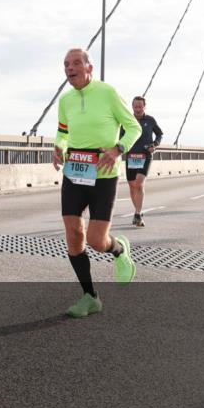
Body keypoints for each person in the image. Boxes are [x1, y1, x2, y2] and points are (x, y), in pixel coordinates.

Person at [53, 48, 139, 318]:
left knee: (95, 240)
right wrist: (59, 147)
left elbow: (134, 127)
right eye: (66, 64)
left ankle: (119, 249)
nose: (70, 68)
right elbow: (63, 132)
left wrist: (117, 149)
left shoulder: (108, 93)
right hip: (74, 173)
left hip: (103, 176)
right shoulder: (65, 100)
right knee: (74, 235)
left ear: (90, 67)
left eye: (76, 63)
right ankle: (90, 296)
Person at [123, 96, 163, 228]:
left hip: (145, 155)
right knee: (132, 186)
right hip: (131, 156)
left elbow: (159, 134)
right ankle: (137, 212)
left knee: (139, 184)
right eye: (135, 107)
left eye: (140, 106)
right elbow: (121, 136)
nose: (138, 109)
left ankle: (138, 213)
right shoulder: (127, 120)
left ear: (144, 107)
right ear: (132, 107)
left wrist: (155, 144)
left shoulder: (150, 120)